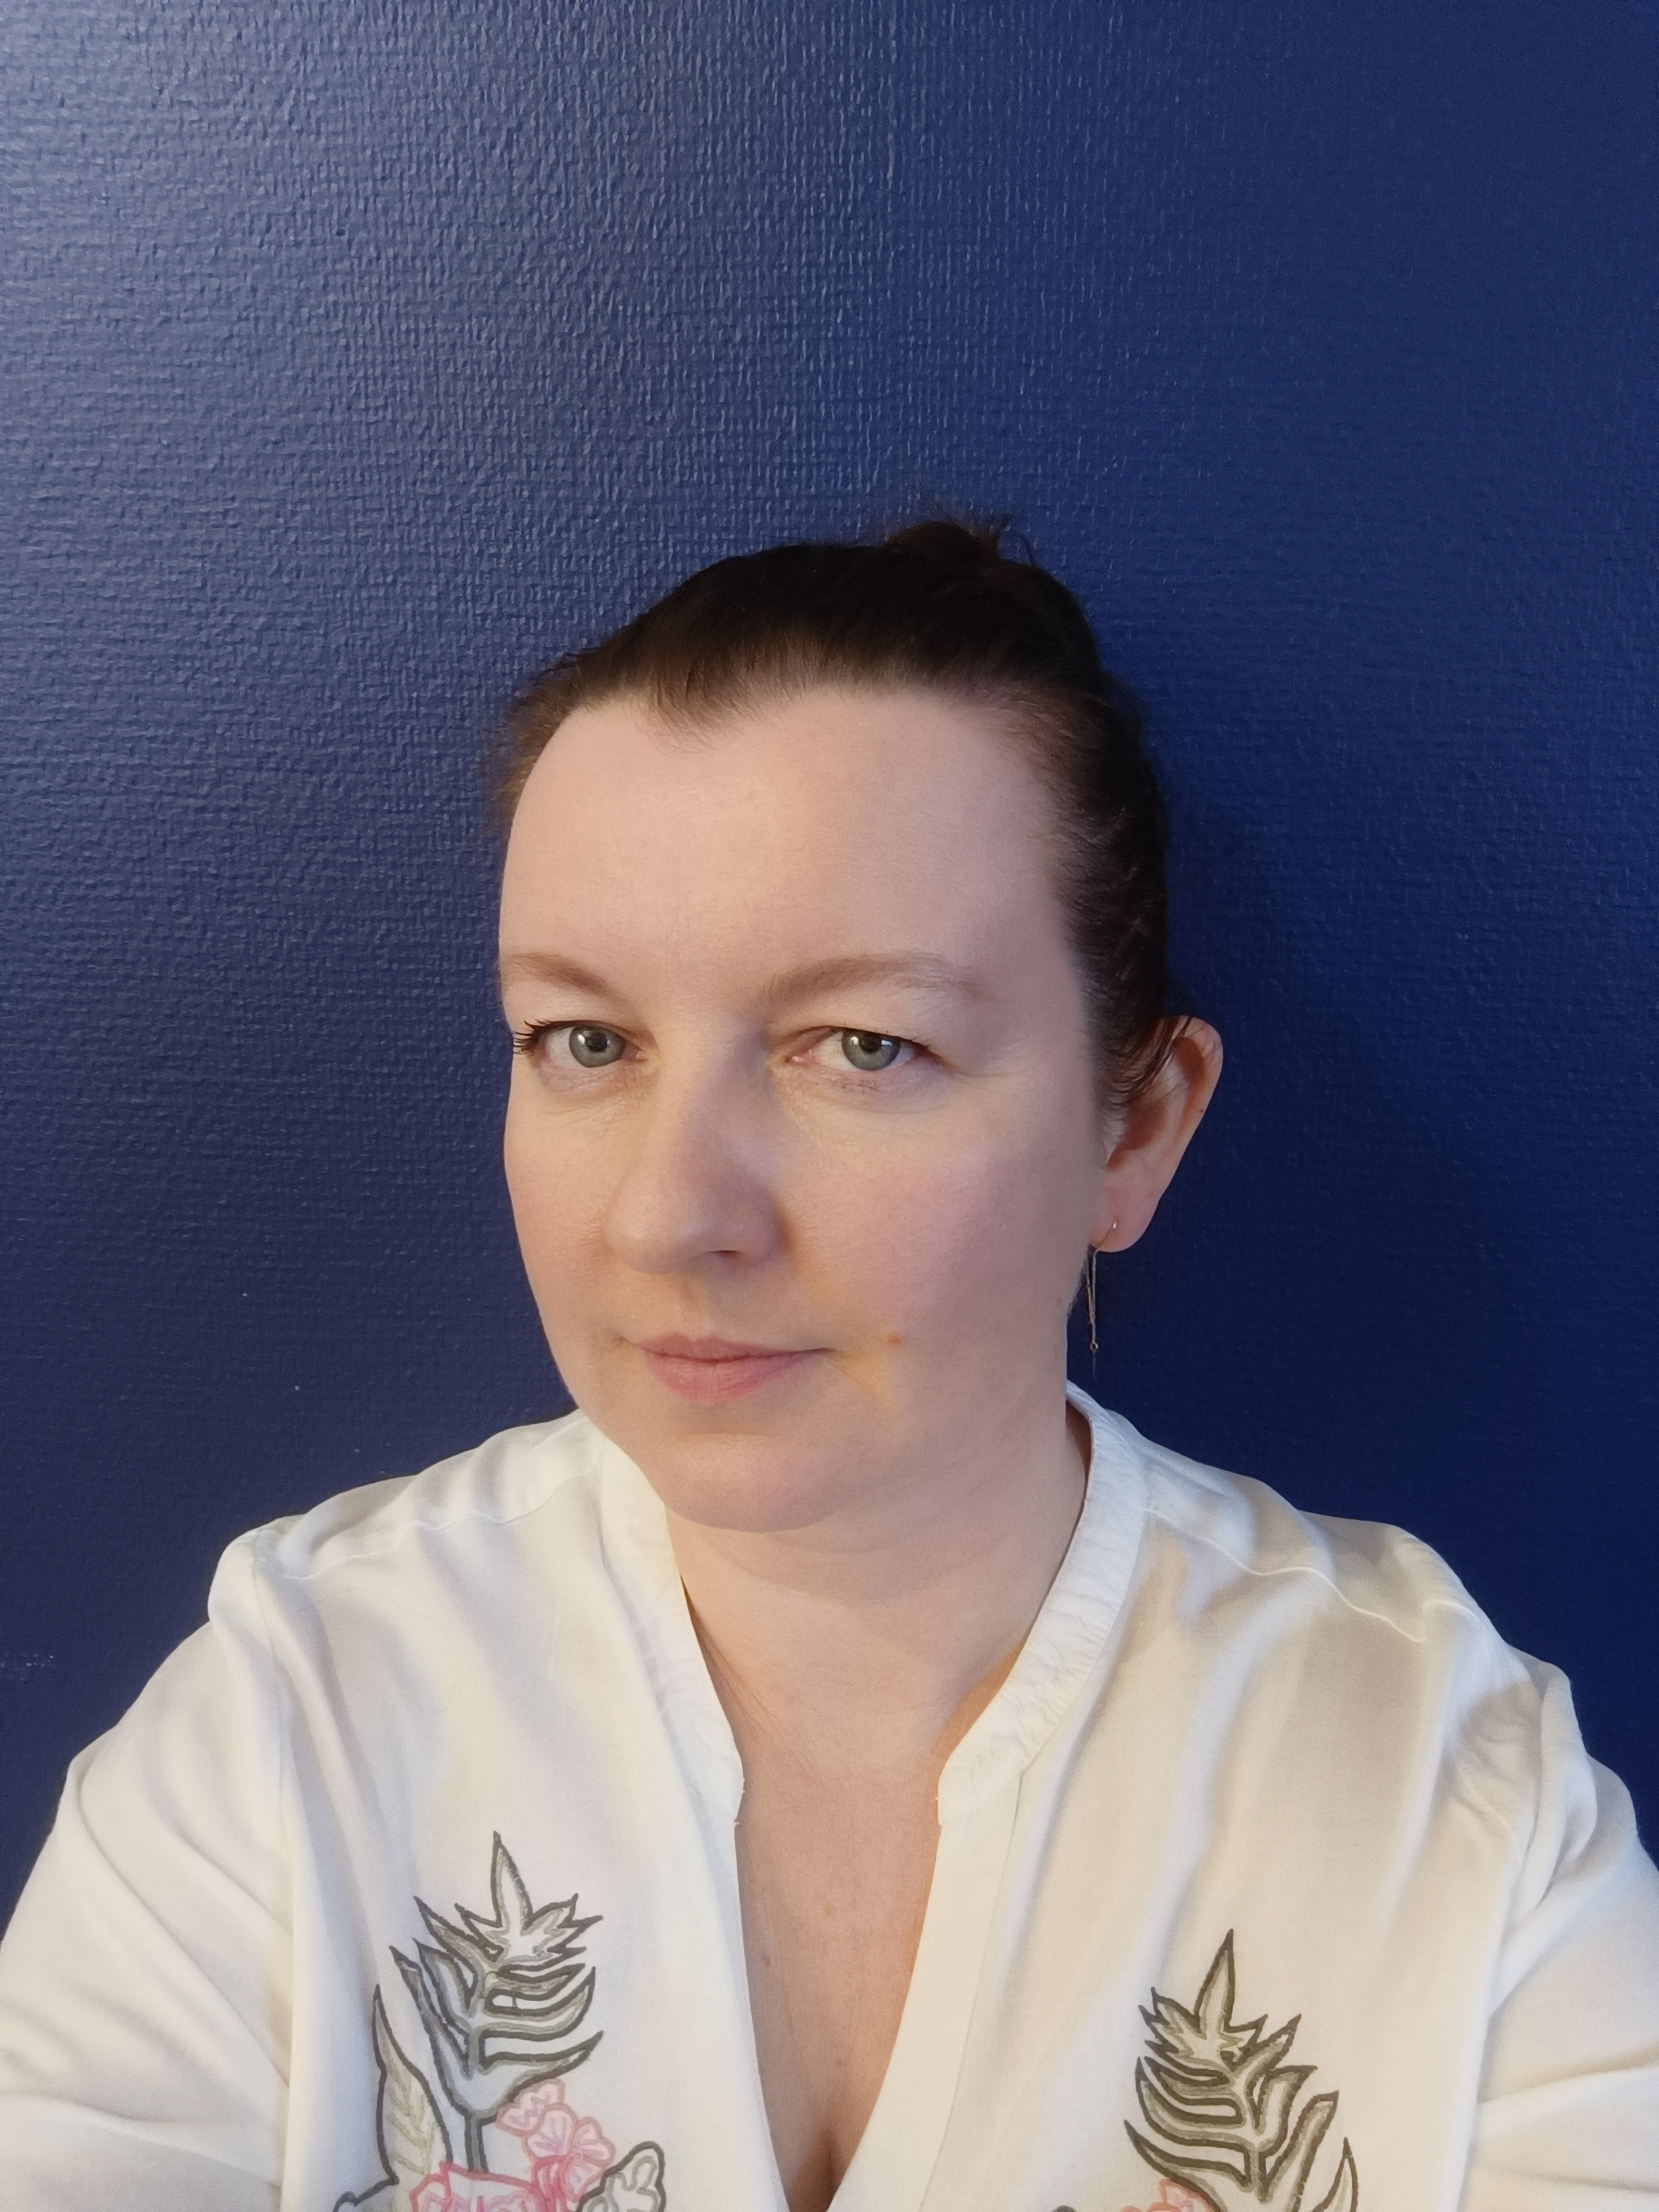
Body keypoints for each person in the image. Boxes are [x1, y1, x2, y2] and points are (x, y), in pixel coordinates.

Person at [0, 522, 1655, 2212]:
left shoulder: (1455, 1813)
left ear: (1135, 1129)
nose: (669, 1215)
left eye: (866, 1047)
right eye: (587, 1040)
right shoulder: (290, 1729)